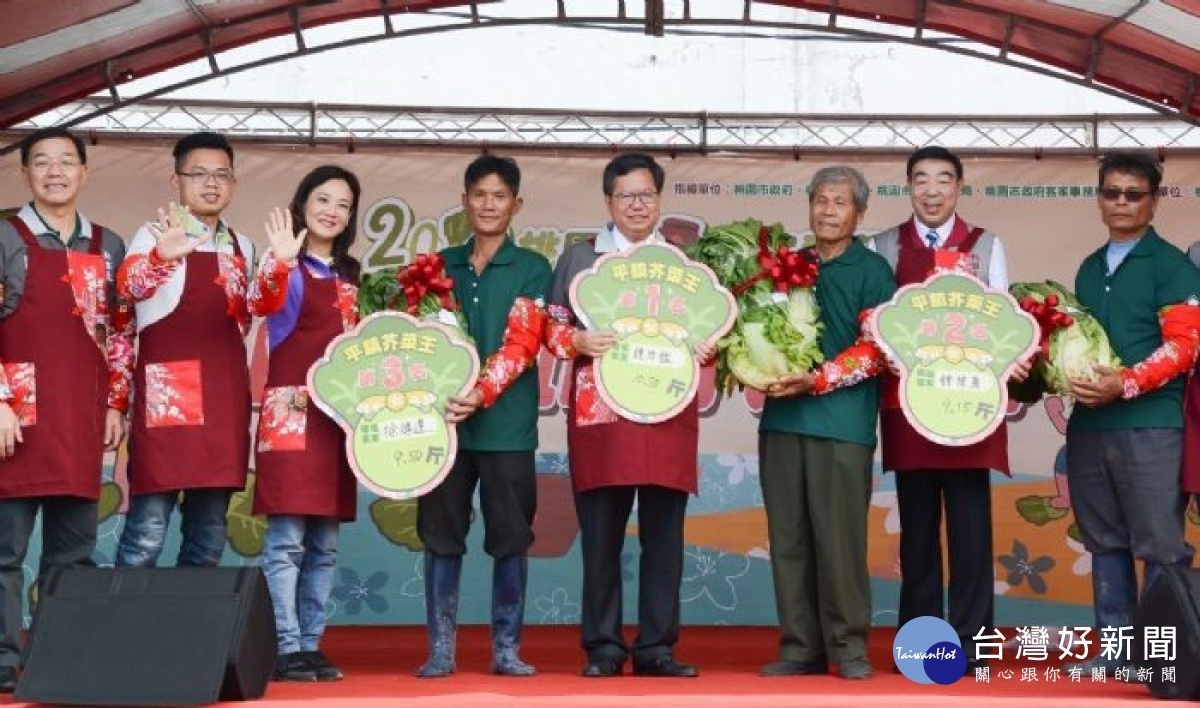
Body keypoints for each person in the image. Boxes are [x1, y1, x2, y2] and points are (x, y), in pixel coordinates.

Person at [545, 152, 714, 679]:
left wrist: (710, 345)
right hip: (601, 414)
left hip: (665, 409)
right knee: (601, 537)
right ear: (608, 201)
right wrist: (574, 338)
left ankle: (657, 647)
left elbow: (711, 327)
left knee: (664, 538)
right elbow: (548, 328)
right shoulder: (579, 258)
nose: (636, 204)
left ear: (659, 200)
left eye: (645, 195)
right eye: (625, 195)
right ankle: (604, 647)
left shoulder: (684, 263)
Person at [0, 127, 133, 692]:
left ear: (84, 172)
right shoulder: (5, 236)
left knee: (73, 553)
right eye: (42, 162)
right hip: (15, 417)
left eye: (66, 162)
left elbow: (120, 332)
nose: (55, 171)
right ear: (25, 173)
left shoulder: (108, 244)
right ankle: (4, 660)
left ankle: (57, 656)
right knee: (5, 553)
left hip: (80, 414)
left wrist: (115, 405)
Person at [870, 145, 1010, 669]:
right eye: (921, 180)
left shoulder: (986, 245)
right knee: (918, 534)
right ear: (908, 187)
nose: (932, 190)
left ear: (959, 187)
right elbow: (875, 325)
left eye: (943, 180)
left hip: (970, 410)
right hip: (909, 411)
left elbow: (1005, 321)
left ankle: (975, 648)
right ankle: (922, 646)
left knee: (972, 533)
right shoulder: (883, 245)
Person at [415, 156, 551, 678]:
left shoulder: (532, 267)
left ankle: (507, 649)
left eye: (499, 196)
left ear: (516, 205)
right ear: (464, 200)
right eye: (479, 194)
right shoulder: (436, 267)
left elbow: (522, 344)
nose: (489, 204)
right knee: (440, 535)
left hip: (507, 429)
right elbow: (420, 342)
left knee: (511, 538)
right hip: (443, 428)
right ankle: (441, 651)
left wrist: (479, 392)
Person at [1065, 151, 1200, 672]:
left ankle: (1172, 658)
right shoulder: (1088, 266)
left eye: (1133, 194)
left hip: (1152, 426)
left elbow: (1184, 349)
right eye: (1111, 192)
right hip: (1090, 426)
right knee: (1104, 542)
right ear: (1100, 197)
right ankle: (1119, 656)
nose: (1121, 203)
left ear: (1154, 199)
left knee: (1161, 545)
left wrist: (1124, 384)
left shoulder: (1173, 266)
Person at [758, 166, 894, 680]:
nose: (827, 211)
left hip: (841, 426)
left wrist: (816, 379)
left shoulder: (872, 271)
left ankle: (850, 648)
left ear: (860, 213)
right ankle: (799, 647)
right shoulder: (790, 266)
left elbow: (875, 351)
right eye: (820, 200)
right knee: (788, 539)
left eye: (839, 202)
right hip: (782, 422)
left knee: (839, 543)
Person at [115, 131, 255, 568]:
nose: (210, 183)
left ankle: (192, 636)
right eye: (198, 174)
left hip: (224, 396)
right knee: (147, 533)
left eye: (221, 175)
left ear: (233, 184)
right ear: (176, 182)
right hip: (169, 398)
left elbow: (248, 317)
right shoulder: (152, 233)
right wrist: (161, 256)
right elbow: (128, 288)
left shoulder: (242, 245)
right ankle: (124, 633)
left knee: (209, 534)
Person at [246, 166, 362, 682]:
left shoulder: (354, 275)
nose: (331, 210)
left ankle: (310, 643)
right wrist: (280, 261)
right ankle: (285, 645)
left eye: (342, 203)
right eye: (322, 199)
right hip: (292, 414)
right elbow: (260, 304)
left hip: (337, 418)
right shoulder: (284, 267)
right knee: (287, 540)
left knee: (325, 543)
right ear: (302, 203)